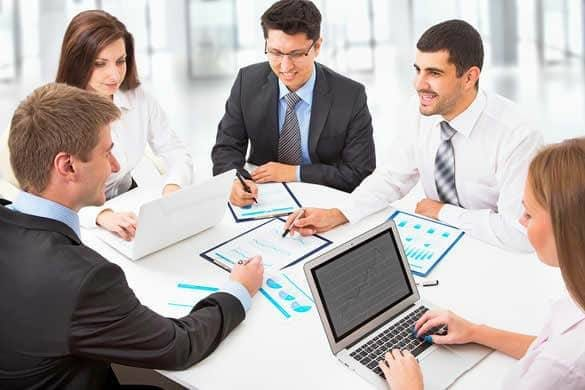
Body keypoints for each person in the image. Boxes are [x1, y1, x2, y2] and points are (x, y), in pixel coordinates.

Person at [0, 83, 264, 389]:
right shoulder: (88, 280)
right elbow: (179, 346)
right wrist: (238, 291)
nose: (115, 166)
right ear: (68, 166)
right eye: (107, 153)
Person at [284, 20, 543, 252]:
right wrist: (339, 213)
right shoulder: (420, 112)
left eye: (434, 73)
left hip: (494, 252)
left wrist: (443, 212)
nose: (419, 84)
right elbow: (393, 178)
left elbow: (517, 232)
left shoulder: (517, 135)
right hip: (437, 242)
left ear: (469, 77)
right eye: (418, 70)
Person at [379, 137, 585, 389]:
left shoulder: (560, 365)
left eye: (529, 213)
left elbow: (555, 363)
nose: (521, 221)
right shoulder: (577, 297)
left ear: (568, 227)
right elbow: (546, 347)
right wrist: (476, 332)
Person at [212, 0, 376, 206]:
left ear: (317, 46)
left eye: (297, 54)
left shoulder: (350, 95)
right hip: (264, 197)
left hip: (323, 198)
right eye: (276, 52)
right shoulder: (248, 82)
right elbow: (226, 147)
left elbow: (359, 172)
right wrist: (235, 180)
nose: (285, 66)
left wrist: (294, 173)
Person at [56, 10, 194, 240]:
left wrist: (173, 186)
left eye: (120, 61)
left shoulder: (137, 98)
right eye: (100, 64)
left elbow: (174, 150)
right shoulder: (59, 113)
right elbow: (54, 195)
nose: (114, 75)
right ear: (77, 62)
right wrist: (101, 215)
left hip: (128, 201)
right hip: (82, 216)